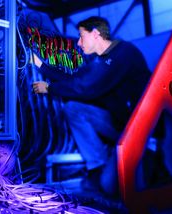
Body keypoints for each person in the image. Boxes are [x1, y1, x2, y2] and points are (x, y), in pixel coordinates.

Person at [31, 16, 151, 194]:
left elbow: (86, 86)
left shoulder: (122, 53)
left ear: (95, 34)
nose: (78, 43)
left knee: (109, 186)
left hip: (137, 128)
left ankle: (149, 158)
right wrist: (40, 65)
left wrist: (50, 88)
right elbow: (75, 79)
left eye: (81, 36)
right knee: (74, 109)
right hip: (119, 124)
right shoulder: (101, 61)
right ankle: (97, 165)